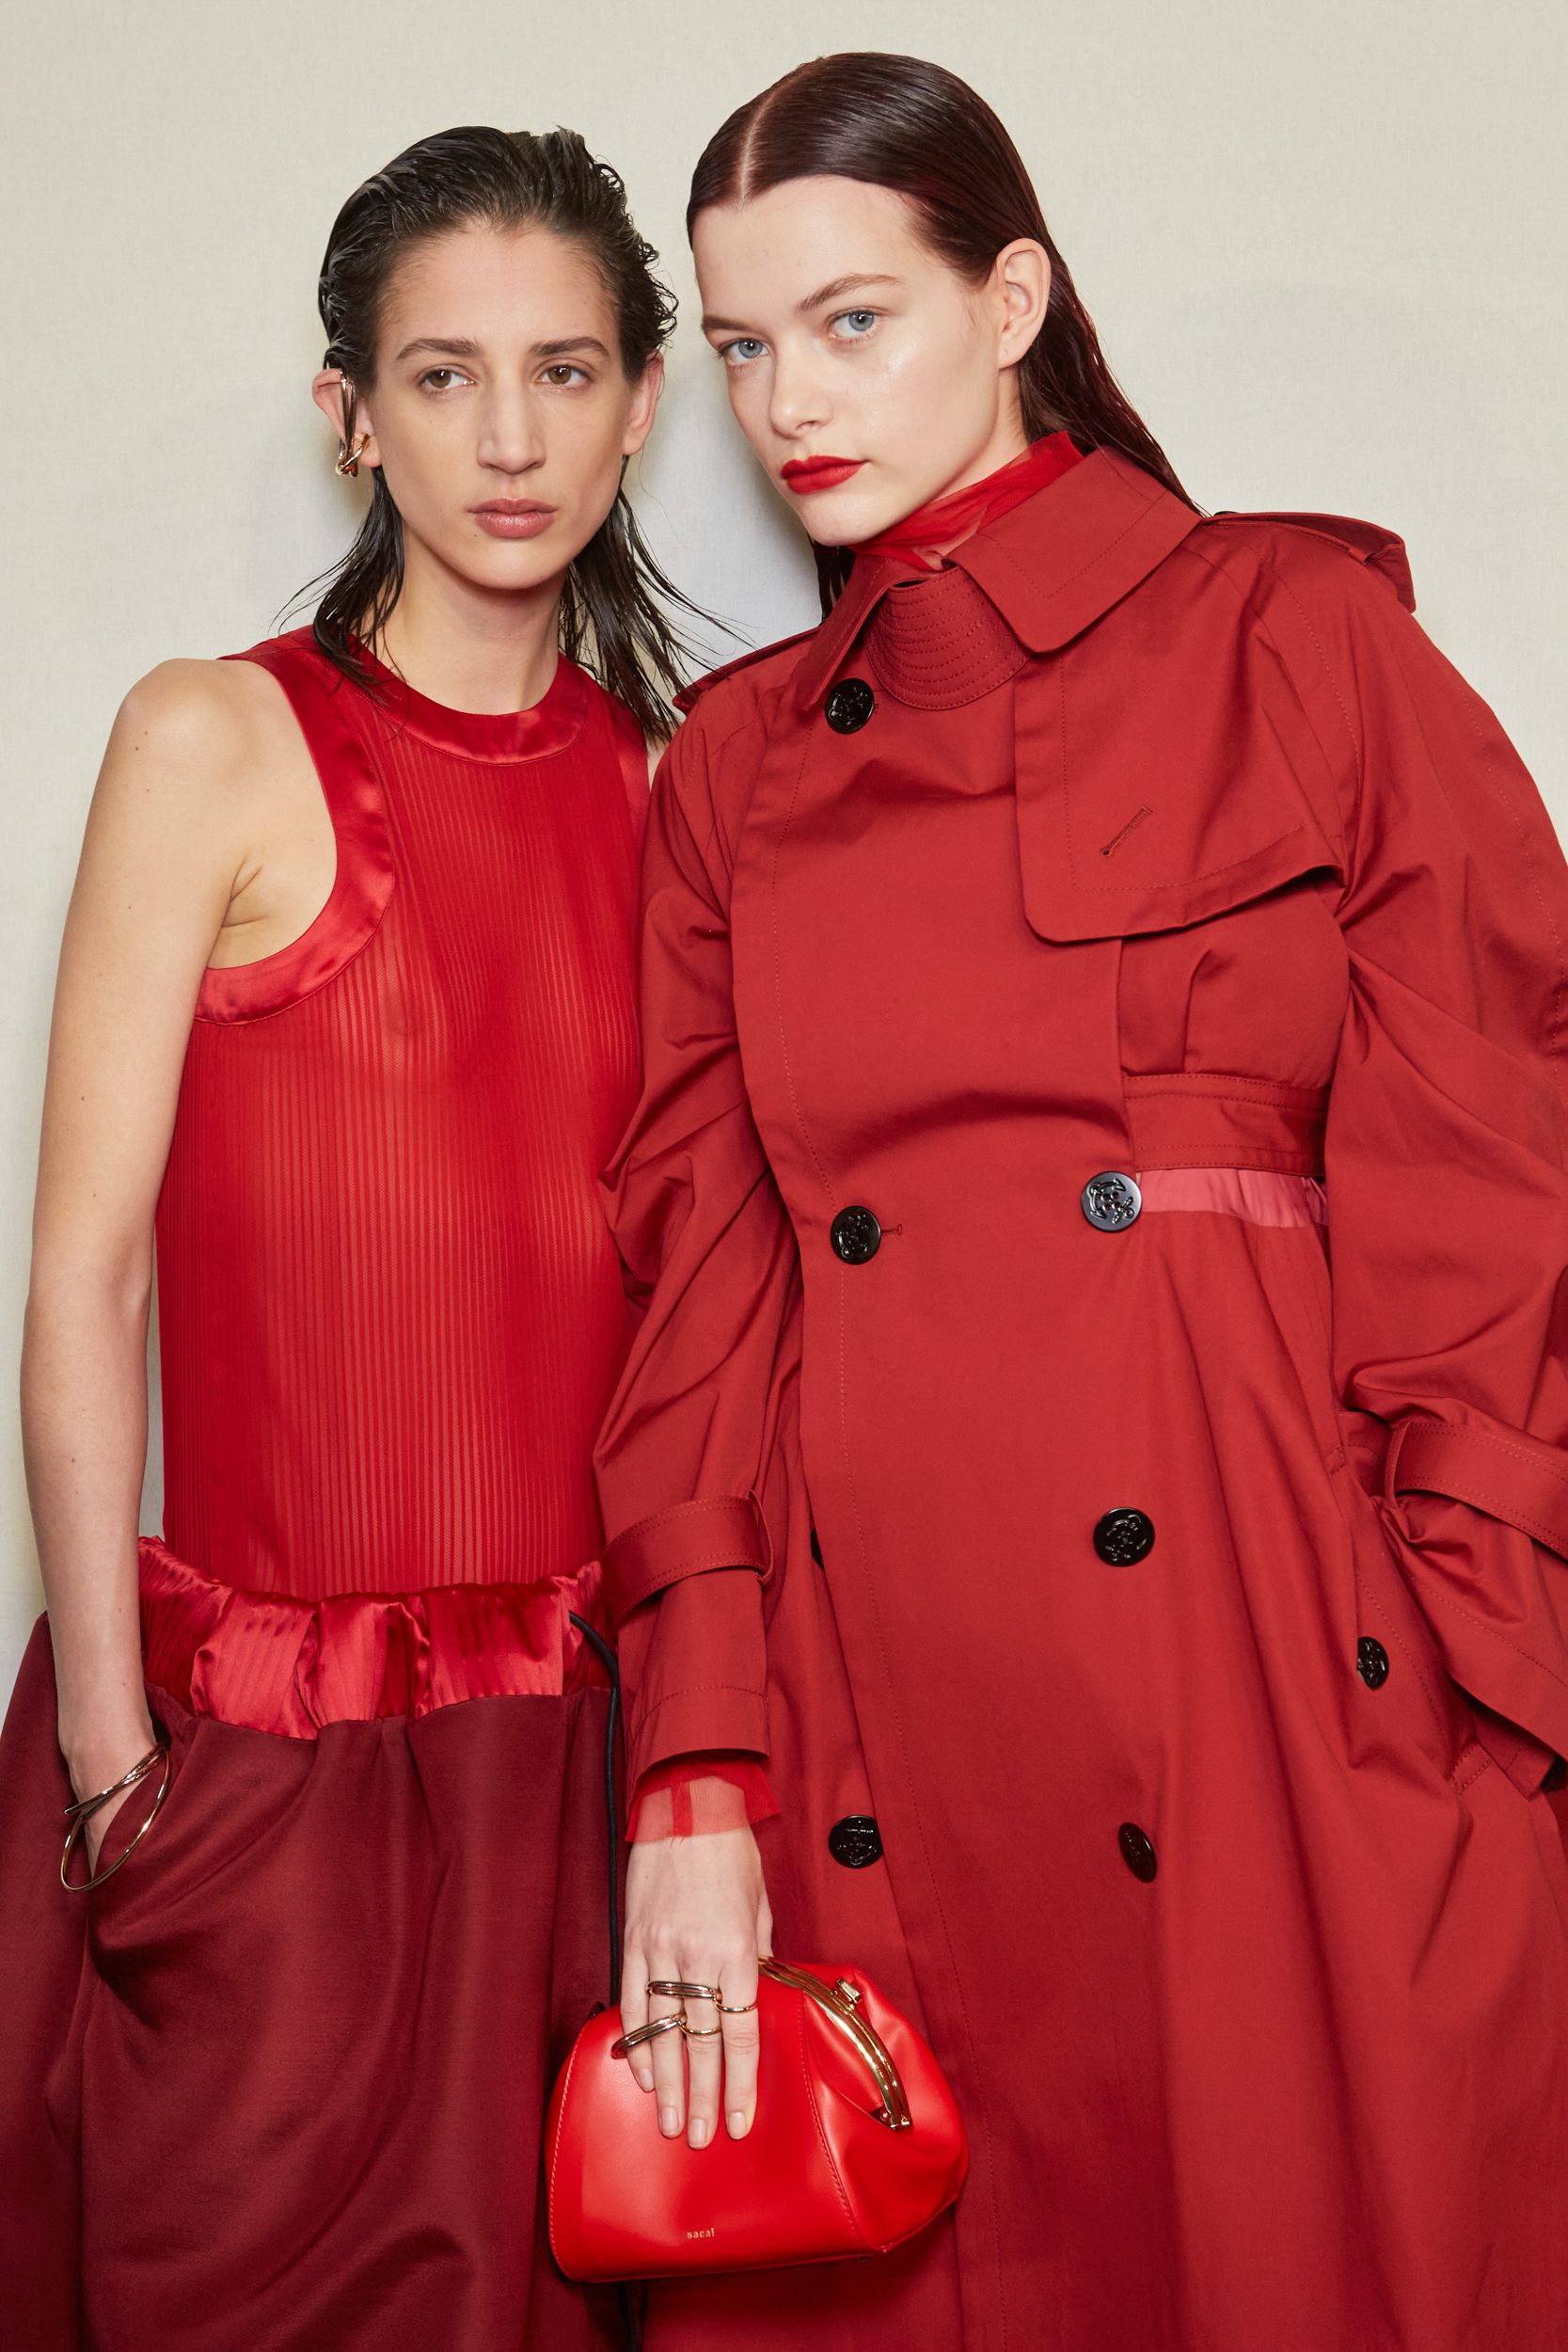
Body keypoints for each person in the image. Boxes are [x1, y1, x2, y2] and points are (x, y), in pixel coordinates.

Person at [593, 51, 1568, 2352]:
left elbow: (1496, 1142)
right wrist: (698, 1760)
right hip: (875, 1700)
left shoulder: (1292, 633)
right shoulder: (736, 767)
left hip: (1266, 1664)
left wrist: (1471, 1657)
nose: (788, 403)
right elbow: (705, 1278)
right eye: (741, 344)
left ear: (1012, 297)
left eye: (853, 322)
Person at [2, 122, 700, 2351]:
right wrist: (111, 1768)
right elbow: (84, 1273)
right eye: (442, 375)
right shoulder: (209, 738)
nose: (510, 438)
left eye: (565, 372)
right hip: (253, 1760)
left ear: (643, 402)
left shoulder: (678, 792)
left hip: (572, 1782)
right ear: (351, 414)